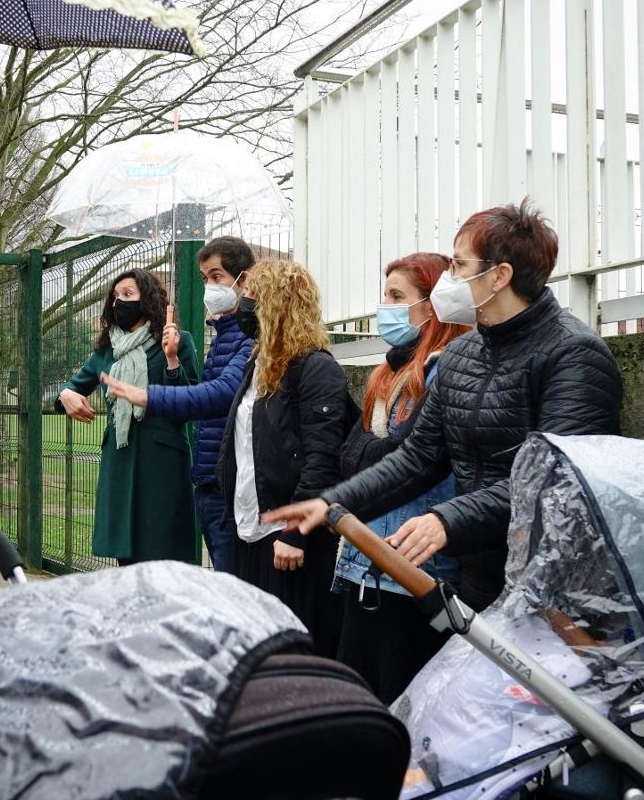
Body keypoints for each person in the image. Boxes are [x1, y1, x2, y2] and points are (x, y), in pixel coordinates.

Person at [263, 200, 624, 616]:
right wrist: (334, 504)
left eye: (458, 266)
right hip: (480, 577)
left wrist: (447, 520)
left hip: (553, 586)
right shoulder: (463, 354)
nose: (447, 279)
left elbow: (553, 482)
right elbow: (418, 458)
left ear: (499, 276)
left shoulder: (574, 354)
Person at [333, 252, 470, 703]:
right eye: (385, 293)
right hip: (368, 563)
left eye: (397, 296)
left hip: (411, 567)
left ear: (431, 306)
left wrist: (375, 454)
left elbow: (404, 456)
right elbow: (350, 456)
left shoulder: (445, 371)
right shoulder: (386, 374)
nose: (384, 306)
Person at [217, 260, 355, 657]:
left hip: (288, 541)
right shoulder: (257, 365)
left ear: (277, 304)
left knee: (293, 648)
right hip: (251, 531)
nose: (243, 303)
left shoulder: (314, 369)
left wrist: (295, 533)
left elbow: (322, 459)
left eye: (252, 295)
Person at [99, 236, 255, 573]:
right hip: (209, 478)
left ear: (244, 280)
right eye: (204, 279)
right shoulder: (224, 332)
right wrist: (67, 394)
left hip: (224, 482)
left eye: (217, 277)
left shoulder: (246, 336)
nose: (209, 288)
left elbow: (212, 394)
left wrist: (152, 389)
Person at [56, 268, 200, 565]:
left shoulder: (178, 341)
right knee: (128, 555)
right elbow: (72, 388)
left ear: (147, 300)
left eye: (128, 295)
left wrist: (172, 359)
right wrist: (66, 394)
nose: (119, 301)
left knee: (165, 553)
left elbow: (192, 401)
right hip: (120, 461)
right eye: (116, 296)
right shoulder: (107, 351)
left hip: (163, 464)